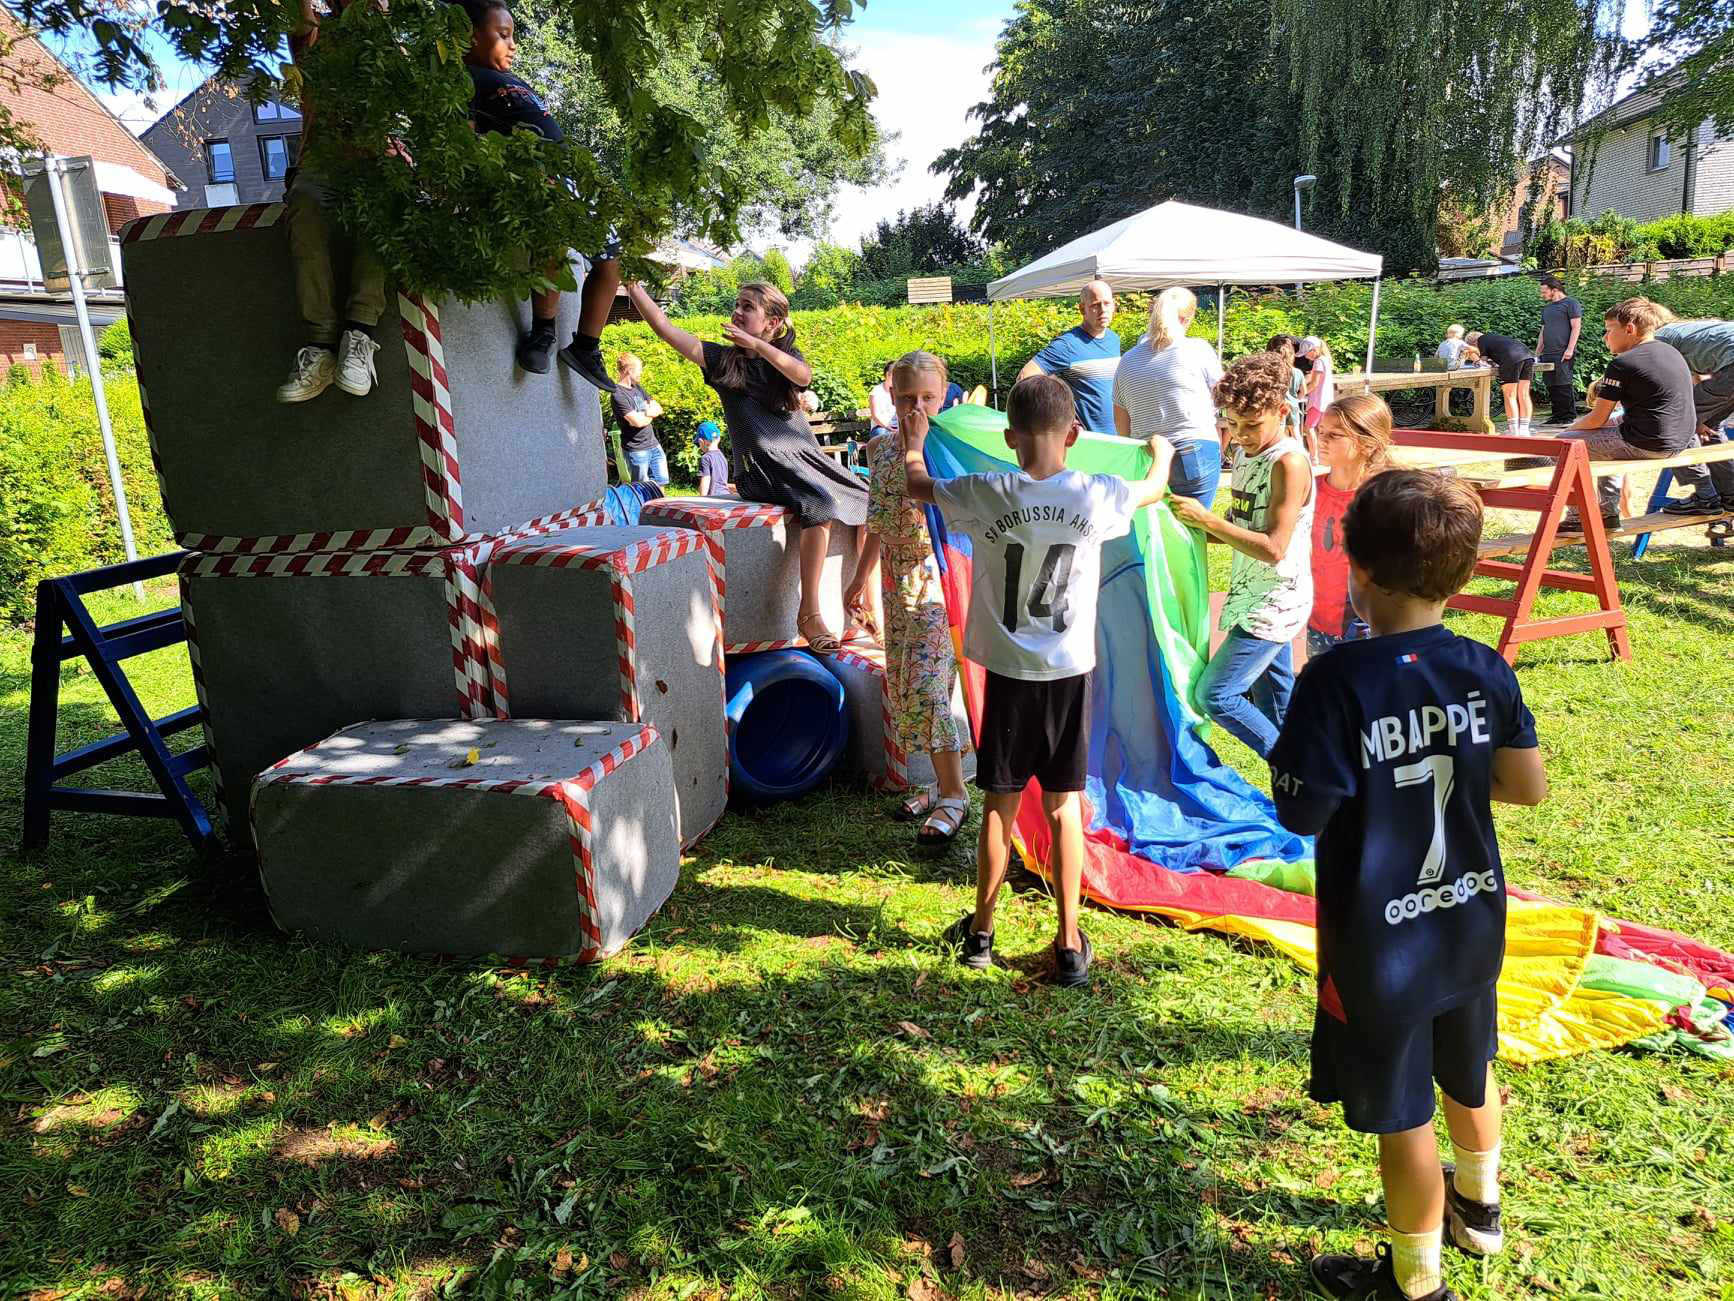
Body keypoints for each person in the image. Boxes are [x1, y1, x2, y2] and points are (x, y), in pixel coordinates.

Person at [1268, 468, 1547, 1301]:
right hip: (1467, 925)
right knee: (1470, 1069)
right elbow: (1527, 783)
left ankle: (1415, 1283)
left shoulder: (1334, 681)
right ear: (1461, 576)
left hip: (1380, 946)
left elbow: (1304, 814)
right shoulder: (1483, 666)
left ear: (1357, 568)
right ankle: (1482, 1206)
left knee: (1403, 1116)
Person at [903, 374, 1171, 987]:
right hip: (1068, 676)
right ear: (1074, 435)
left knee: (998, 805)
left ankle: (980, 932)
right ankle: (1070, 941)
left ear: (1007, 438)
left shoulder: (988, 490)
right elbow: (1154, 488)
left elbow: (919, 485)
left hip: (1007, 676)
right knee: (1064, 808)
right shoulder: (1097, 492)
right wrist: (1161, 452)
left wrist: (917, 440)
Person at [624, 279, 867, 652]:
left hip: (807, 461)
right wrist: (634, 287)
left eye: (747, 307)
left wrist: (758, 346)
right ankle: (810, 612)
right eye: (737, 304)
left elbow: (803, 376)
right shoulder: (723, 361)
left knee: (873, 500)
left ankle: (861, 594)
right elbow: (666, 328)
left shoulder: (786, 359)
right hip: (763, 467)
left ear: (772, 322)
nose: (736, 312)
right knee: (819, 504)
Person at [463, 0, 619, 389]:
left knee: (612, 260)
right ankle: (544, 332)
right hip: (534, 178)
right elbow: (467, 142)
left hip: (571, 176)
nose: (512, 44)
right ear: (471, 36)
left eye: (513, 35)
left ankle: (587, 346)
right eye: (502, 35)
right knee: (551, 232)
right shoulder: (467, 79)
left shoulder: (517, 81)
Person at [1170, 351, 1313, 760]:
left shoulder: (1288, 463)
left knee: (1216, 694)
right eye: (1232, 425)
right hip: (1250, 595)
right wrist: (1184, 522)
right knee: (1280, 709)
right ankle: (1308, 798)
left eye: (1252, 425)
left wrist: (1208, 521)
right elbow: (1240, 530)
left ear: (1282, 411)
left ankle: (1297, 774)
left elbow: (1273, 547)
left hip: (1275, 601)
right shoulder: (1242, 454)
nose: (1242, 434)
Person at [856, 350, 972, 848]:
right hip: (894, 578)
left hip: (936, 580)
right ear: (891, 395)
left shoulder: (950, 446)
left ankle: (954, 793)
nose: (916, 406)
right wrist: (859, 579)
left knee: (927, 684)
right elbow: (877, 520)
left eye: (928, 396)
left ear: (944, 394)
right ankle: (936, 782)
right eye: (906, 397)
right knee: (911, 684)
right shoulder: (879, 449)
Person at [277, 0, 388, 403]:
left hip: (378, 163)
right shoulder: (316, 34)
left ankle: (359, 336)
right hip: (321, 164)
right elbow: (299, 16)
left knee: (386, 203)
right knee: (304, 203)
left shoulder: (396, 43)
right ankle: (322, 346)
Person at [1553, 297, 1697, 534]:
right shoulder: (1670, 352)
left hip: (1649, 443)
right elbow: (1652, 408)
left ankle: (1578, 517)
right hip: (1680, 441)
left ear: (1629, 329)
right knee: (1604, 445)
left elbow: (1596, 419)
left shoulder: (1624, 363)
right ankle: (1607, 513)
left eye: (1609, 330)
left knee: (1566, 446)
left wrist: (1567, 431)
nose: (1605, 338)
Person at [1112, 287, 1225, 504]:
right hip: (1193, 449)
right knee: (1194, 528)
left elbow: (1121, 420)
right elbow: (1223, 395)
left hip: (1146, 455)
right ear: (1186, 319)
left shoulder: (1127, 360)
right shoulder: (1198, 350)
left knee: (1155, 530)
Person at [1308, 394, 1392, 658]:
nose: (1322, 439)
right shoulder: (1311, 489)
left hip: (1364, 623)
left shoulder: (1382, 495)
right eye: (1321, 431)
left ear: (1367, 444)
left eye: (1335, 435)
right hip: (1317, 619)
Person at [1017, 278, 1121, 434]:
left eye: (1107, 303)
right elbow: (1025, 376)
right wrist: (1058, 414)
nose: (1102, 310)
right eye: (1095, 305)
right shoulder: (1067, 344)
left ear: (1113, 305)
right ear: (1082, 309)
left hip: (1119, 438)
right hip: (1089, 442)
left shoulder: (1114, 339)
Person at [1654, 312, 1734, 514]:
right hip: (1727, 370)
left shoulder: (1660, 338)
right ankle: (1731, 493)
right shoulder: (1695, 333)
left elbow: (1670, 387)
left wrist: (1688, 418)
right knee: (1711, 428)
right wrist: (1698, 419)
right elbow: (1697, 380)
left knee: (1671, 423)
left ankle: (1706, 497)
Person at [609, 352, 668, 485]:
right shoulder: (618, 394)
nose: (641, 374)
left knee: (660, 485)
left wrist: (646, 414)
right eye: (639, 370)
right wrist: (649, 413)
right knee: (641, 489)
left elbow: (658, 407)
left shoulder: (638, 388)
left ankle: (658, 507)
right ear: (629, 371)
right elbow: (637, 422)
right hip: (637, 450)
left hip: (654, 445)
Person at [1463, 331, 1535, 436]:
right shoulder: (1496, 337)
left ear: (1474, 343)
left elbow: (1483, 363)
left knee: (1510, 395)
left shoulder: (1481, 340)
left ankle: (1513, 430)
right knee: (1524, 394)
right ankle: (1524, 430)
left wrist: (1475, 358)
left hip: (1511, 359)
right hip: (1527, 356)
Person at [1535, 275, 1583, 424]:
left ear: (1554, 290)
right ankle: (1557, 416)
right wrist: (1537, 352)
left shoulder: (1571, 304)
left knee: (1563, 384)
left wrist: (1570, 349)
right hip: (1547, 352)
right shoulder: (1547, 308)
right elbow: (1543, 331)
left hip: (1563, 351)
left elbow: (1576, 327)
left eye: (1544, 292)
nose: (1542, 295)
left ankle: (1568, 417)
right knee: (1551, 384)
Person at [1268, 333, 1310, 447]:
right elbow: (1304, 391)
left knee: (1280, 431)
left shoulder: (1275, 372)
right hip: (1294, 405)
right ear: (1292, 356)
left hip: (1280, 406)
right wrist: (1296, 399)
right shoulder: (1298, 372)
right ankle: (1302, 455)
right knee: (1296, 432)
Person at [1298, 335, 1336, 436]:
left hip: (1317, 402)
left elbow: (1314, 383)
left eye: (1306, 353)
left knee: (1308, 428)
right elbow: (1311, 376)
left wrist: (1302, 393)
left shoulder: (1318, 361)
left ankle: (1313, 452)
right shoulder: (1325, 359)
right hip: (1326, 401)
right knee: (1321, 429)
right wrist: (1299, 382)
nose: (1306, 356)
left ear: (1314, 350)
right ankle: (1318, 450)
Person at [695, 421, 730, 496]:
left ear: (701, 442)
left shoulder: (705, 458)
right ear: (719, 438)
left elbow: (706, 480)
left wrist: (702, 499)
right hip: (726, 495)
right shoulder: (722, 456)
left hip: (714, 498)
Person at [868, 359, 898, 433]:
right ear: (888, 374)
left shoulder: (900, 391)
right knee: (882, 435)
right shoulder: (876, 391)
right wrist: (889, 428)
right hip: (880, 427)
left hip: (898, 428)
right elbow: (875, 416)